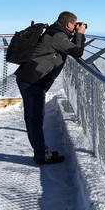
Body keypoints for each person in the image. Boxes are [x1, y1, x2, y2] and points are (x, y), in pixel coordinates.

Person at [15, 11, 86, 165]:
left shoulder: (56, 32)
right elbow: (77, 52)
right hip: (33, 81)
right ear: (69, 24)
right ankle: (42, 155)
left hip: (29, 78)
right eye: (75, 24)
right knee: (35, 119)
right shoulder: (58, 36)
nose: (76, 27)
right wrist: (80, 34)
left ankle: (41, 151)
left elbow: (65, 47)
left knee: (33, 118)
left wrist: (75, 35)